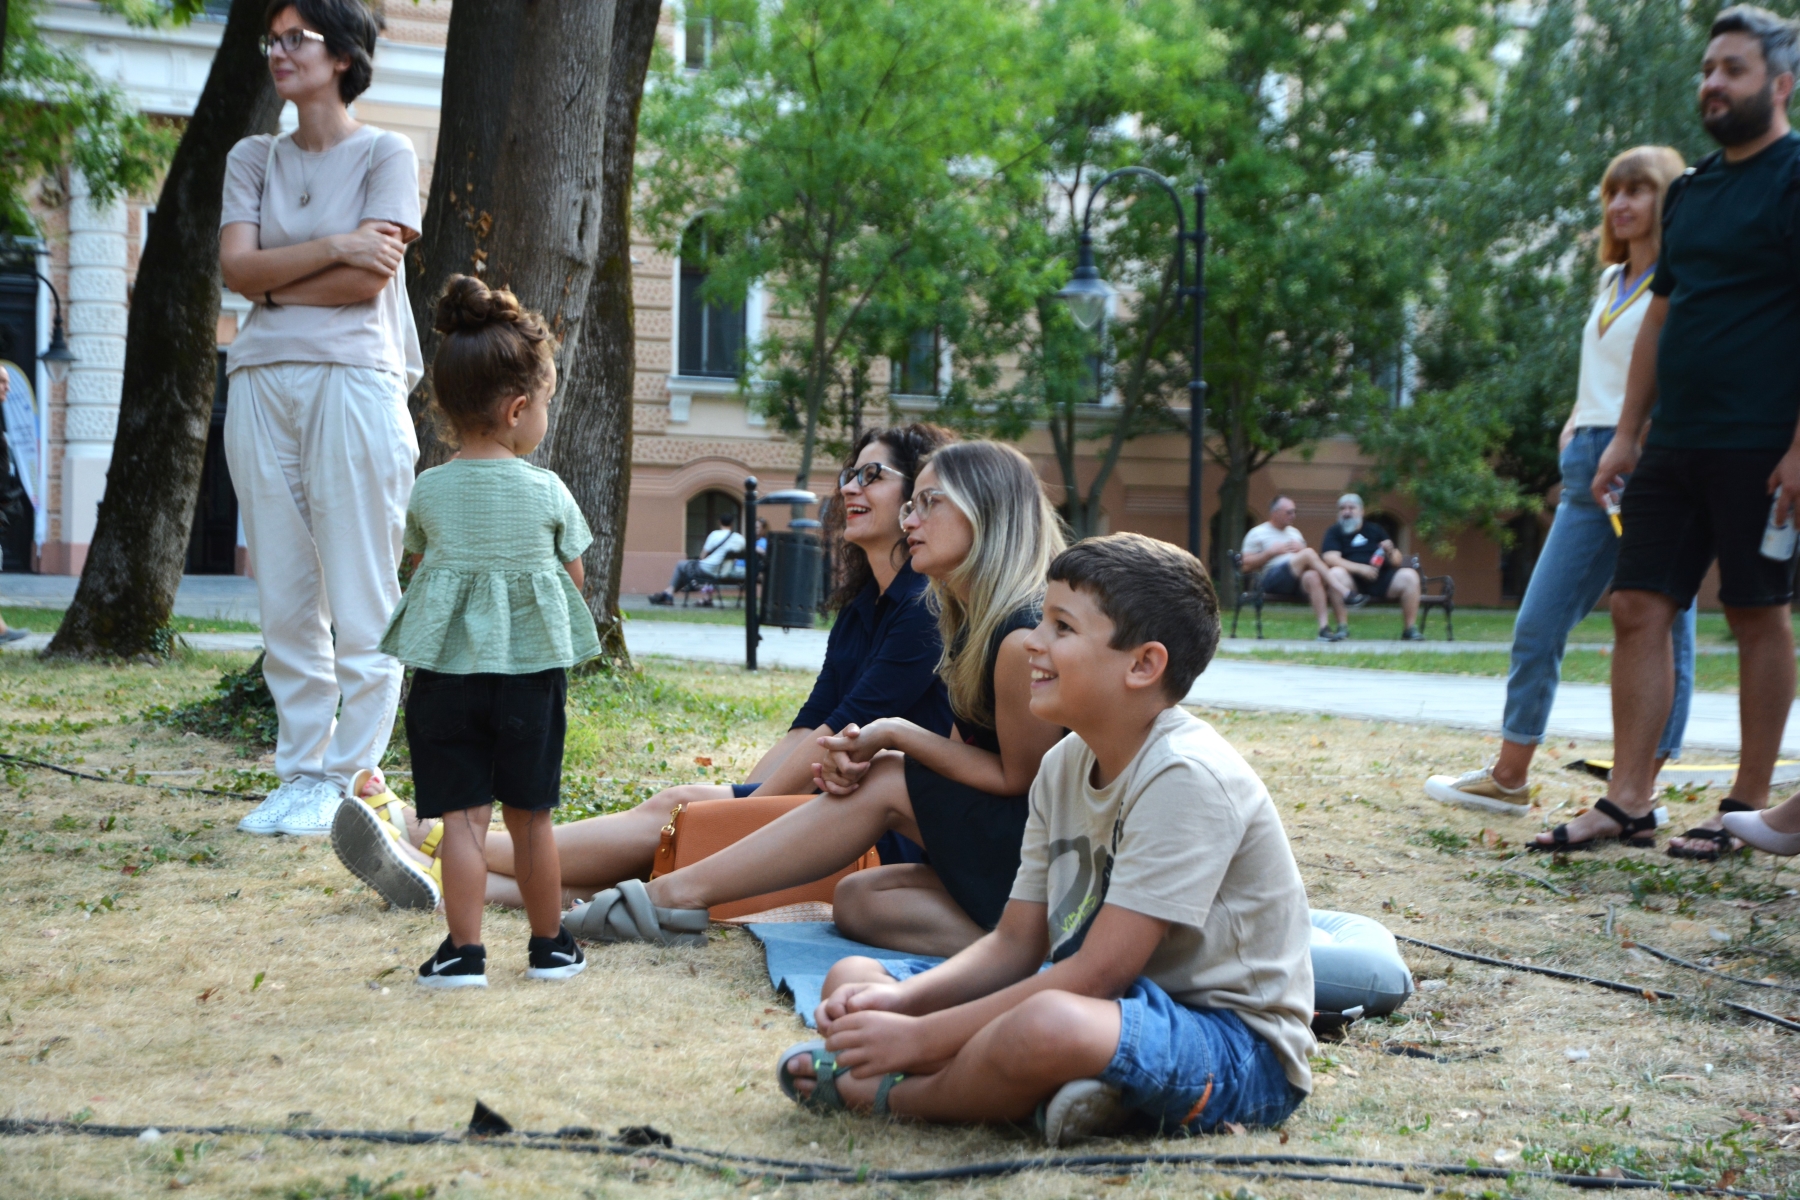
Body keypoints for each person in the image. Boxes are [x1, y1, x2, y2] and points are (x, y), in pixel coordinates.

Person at [774, 534, 1312, 1145]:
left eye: (1062, 627)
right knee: (855, 982)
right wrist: (899, 1008)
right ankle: (1069, 1091)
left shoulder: (1184, 775)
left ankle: (894, 1095)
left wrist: (917, 1037)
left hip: (1232, 1044)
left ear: (1143, 665)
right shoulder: (1062, 766)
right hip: (1107, 1007)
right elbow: (1013, 946)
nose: (1032, 641)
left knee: (1049, 1023)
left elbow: (1097, 975)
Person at [353, 425, 959, 910]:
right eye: (850, 474)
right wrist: (743, 804)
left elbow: (839, 731)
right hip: (823, 810)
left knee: (680, 816)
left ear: (918, 497)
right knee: (679, 825)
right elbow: (809, 724)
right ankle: (451, 880)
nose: (850, 488)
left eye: (872, 476)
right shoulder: (865, 608)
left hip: (871, 835)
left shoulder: (922, 611)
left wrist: (741, 814)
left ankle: (437, 837)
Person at [564, 440, 1068, 955]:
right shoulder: (966, 624)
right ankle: (1040, 939)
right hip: (1006, 848)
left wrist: (894, 736)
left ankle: (671, 898)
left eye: (928, 503)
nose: (911, 520)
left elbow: (1020, 781)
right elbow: (951, 758)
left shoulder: (1018, 637)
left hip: (1054, 855)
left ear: (986, 511)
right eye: (911, 504)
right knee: (859, 900)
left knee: (887, 775)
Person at [1540, 6, 1800, 857]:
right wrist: (1627, 434)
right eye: (1708, 69)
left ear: (1781, 84)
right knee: (1636, 605)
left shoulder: (1794, 177)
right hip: (1674, 440)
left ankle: (1747, 803)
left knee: (1756, 613)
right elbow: (1660, 317)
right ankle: (1628, 800)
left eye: (1733, 69)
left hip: (1762, 442)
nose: (1713, 83)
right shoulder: (1689, 192)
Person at [332, 275, 600, 988]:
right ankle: (550, 948)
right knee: (533, 819)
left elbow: (421, 568)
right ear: (517, 409)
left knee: (463, 821)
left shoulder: (428, 488)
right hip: (529, 681)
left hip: (446, 682)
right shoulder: (548, 490)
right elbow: (573, 579)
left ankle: (463, 953)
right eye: (544, 403)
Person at [1426, 147, 1699, 816]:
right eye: (1613, 192)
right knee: (1538, 621)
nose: (1621, 204)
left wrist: (1641, 436)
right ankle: (1509, 776)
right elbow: (1604, 365)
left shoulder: (1684, 278)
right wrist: (1577, 422)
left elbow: (1683, 370)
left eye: (1638, 190)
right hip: (1589, 467)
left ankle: (1641, 790)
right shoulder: (1611, 279)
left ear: (1668, 198)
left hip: (1651, 460)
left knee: (1666, 628)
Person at [218, 0, 421, 838]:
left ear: (341, 54)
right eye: (271, 39)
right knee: (287, 595)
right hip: (260, 380)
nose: (278, 51)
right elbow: (236, 269)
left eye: (294, 38)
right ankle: (301, 773)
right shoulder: (252, 157)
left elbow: (368, 282)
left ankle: (351, 776)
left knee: (364, 592)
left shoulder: (386, 152)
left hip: (355, 381)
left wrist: (277, 277)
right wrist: (336, 245)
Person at [1240, 495, 1354, 641]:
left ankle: (1324, 629)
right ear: (1275, 513)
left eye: (1294, 511)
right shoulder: (1257, 533)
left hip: (1296, 581)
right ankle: (1343, 590)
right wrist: (1269, 553)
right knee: (1308, 553)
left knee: (1312, 576)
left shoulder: (1295, 533)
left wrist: (1301, 549)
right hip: (1272, 580)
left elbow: (1309, 561)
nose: (1293, 515)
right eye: (1289, 512)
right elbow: (1244, 565)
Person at [1320, 494, 1422, 639]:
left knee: (1410, 576)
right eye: (1342, 508)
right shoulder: (1334, 532)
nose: (1346, 512)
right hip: (1352, 582)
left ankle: (1410, 629)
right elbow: (1330, 558)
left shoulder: (1375, 530)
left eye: (1351, 508)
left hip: (1382, 579)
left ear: (1361, 511)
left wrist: (1390, 551)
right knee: (1335, 574)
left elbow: (1397, 561)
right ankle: (1342, 627)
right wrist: (1361, 569)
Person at [648, 512, 744, 605]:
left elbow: (702, 556)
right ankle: (668, 593)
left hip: (707, 569)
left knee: (681, 565)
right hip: (723, 572)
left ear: (719, 522)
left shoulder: (715, 535)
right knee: (686, 569)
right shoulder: (740, 539)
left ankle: (668, 594)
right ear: (732, 523)